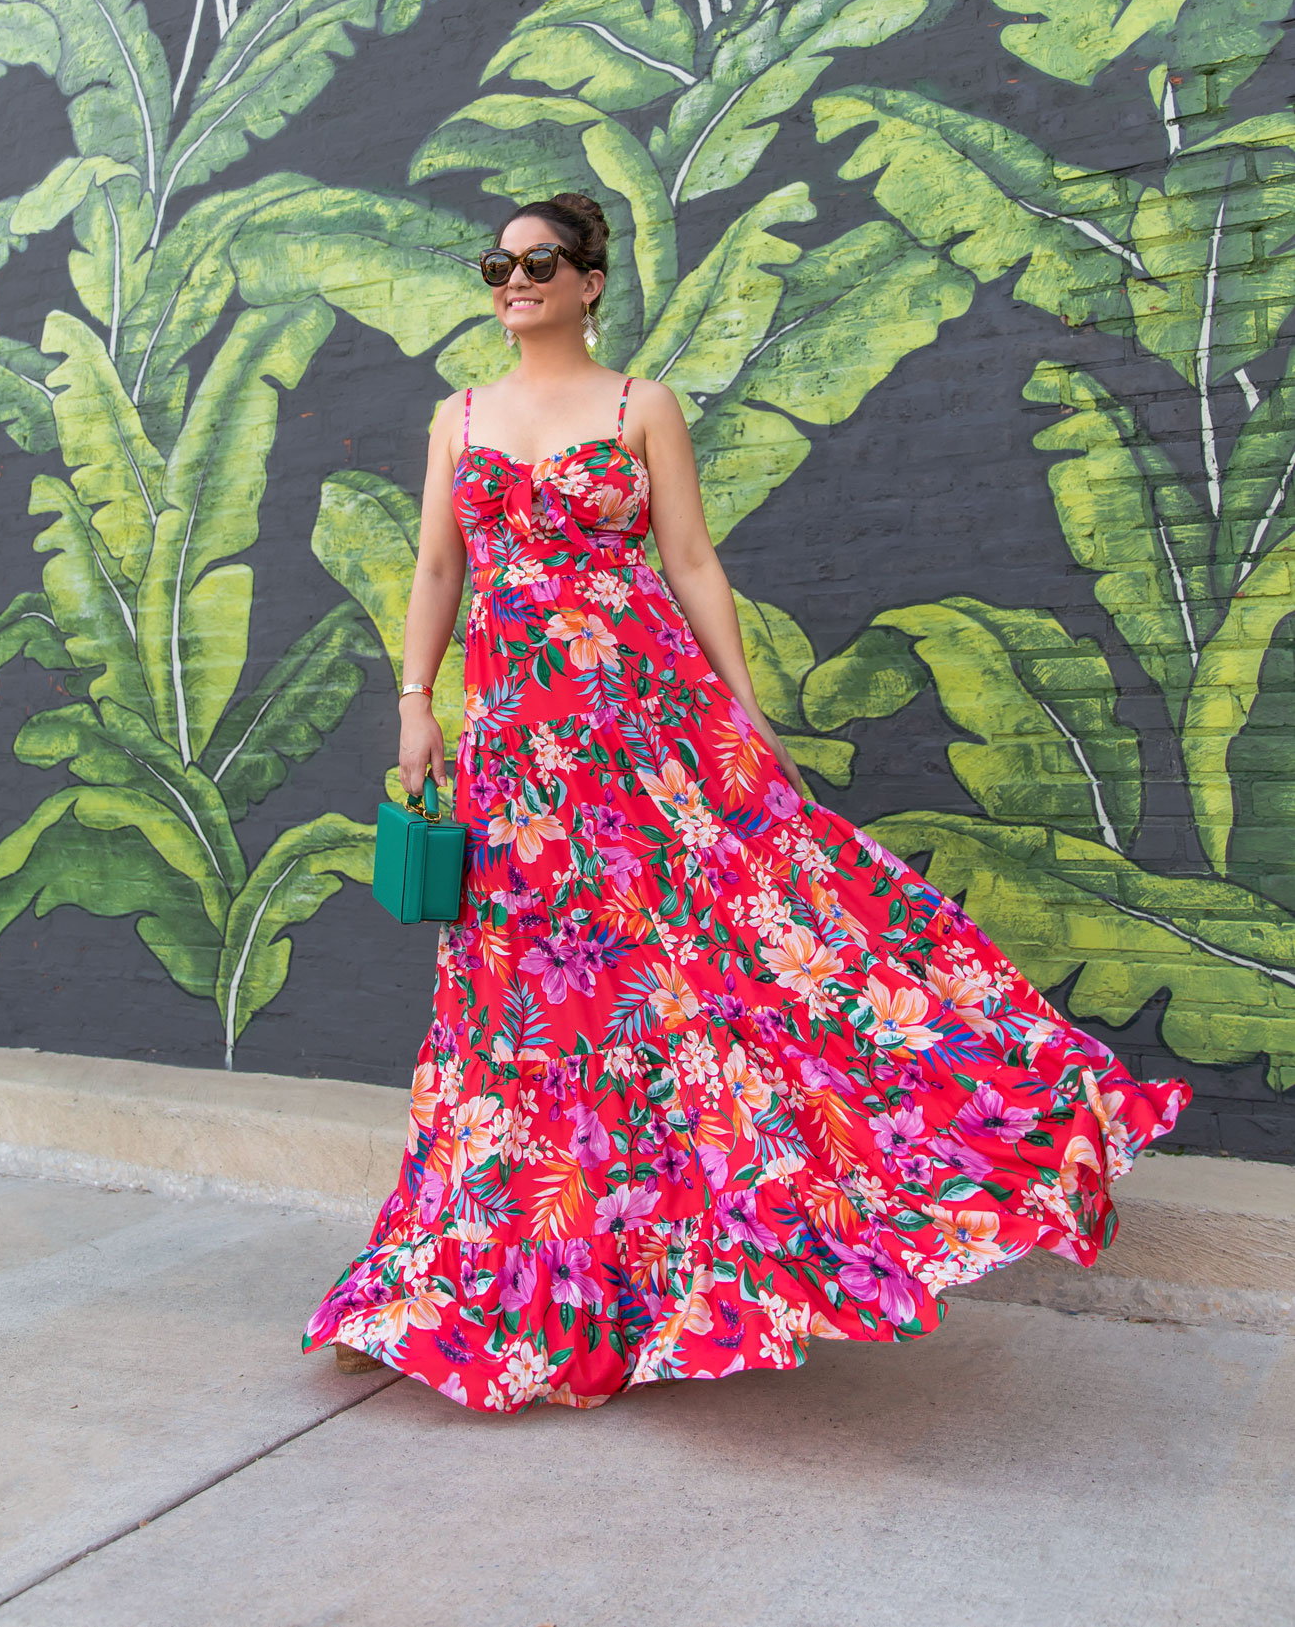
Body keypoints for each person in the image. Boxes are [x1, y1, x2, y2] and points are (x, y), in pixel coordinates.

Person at [304, 191, 1189, 1413]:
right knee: (515, 1016)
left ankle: (689, 1261)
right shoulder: (456, 417)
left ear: (589, 279)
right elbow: (439, 565)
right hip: (517, 756)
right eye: (496, 263)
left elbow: (692, 560)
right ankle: (456, 1284)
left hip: (652, 736)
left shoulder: (639, 405)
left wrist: (746, 712)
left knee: (731, 964)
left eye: (539, 260)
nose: (513, 279)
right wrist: (416, 701)